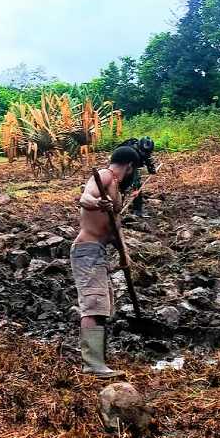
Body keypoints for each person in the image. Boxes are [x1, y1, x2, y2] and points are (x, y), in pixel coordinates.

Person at [72, 146, 140, 377]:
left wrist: (124, 254)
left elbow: (114, 228)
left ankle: (98, 359)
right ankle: (92, 364)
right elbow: (85, 197)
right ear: (130, 166)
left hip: (98, 250)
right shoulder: (104, 175)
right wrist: (98, 203)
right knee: (93, 304)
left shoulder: (116, 188)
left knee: (102, 305)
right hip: (86, 250)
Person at [119, 136, 157, 217]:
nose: (145, 154)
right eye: (143, 152)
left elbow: (147, 158)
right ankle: (118, 208)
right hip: (122, 165)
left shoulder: (144, 151)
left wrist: (151, 168)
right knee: (122, 186)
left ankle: (137, 210)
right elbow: (133, 173)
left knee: (137, 187)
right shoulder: (130, 151)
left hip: (133, 165)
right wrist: (135, 186)